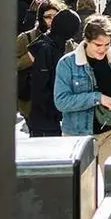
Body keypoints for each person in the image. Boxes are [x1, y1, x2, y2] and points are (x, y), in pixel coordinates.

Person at [53, 14, 111, 169]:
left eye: (107, 44)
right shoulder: (67, 63)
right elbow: (61, 101)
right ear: (86, 41)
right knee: (83, 190)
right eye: (98, 45)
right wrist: (97, 98)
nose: (103, 49)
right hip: (79, 135)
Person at [26, 9, 81, 138]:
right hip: (46, 119)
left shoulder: (50, 44)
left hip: (48, 117)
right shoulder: (47, 49)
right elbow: (41, 87)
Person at [17, 0, 65, 121]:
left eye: (55, 16)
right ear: (40, 18)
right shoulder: (26, 38)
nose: (52, 20)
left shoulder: (66, 40)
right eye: (48, 16)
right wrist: (28, 58)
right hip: (33, 101)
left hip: (58, 98)